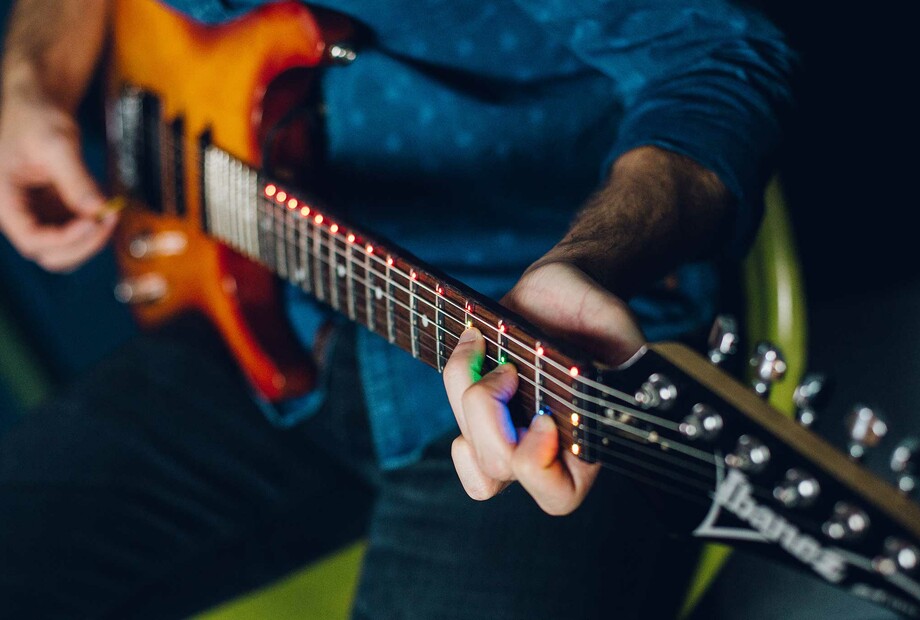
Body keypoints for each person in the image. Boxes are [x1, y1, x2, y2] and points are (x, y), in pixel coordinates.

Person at [0, 0, 795, 618]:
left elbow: (719, 60)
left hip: (523, 366)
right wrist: (32, 75)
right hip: (252, 326)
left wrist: (589, 260)